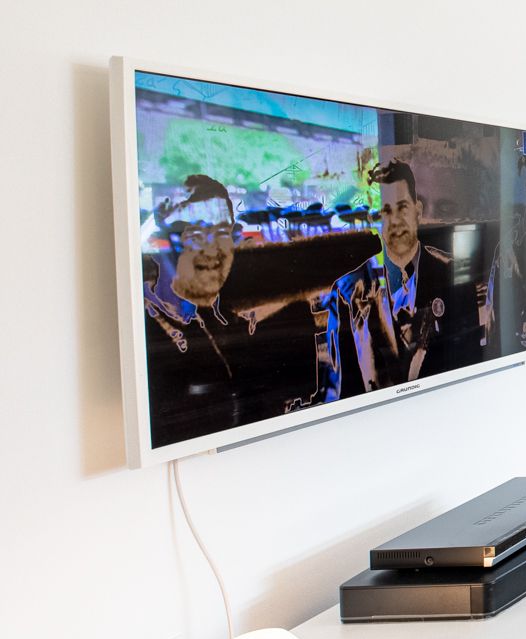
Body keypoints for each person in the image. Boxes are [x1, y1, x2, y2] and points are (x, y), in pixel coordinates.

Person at [139, 174, 316, 445]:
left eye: (222, 233)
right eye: (196, 234)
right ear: (160, 244)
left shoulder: (232, 321)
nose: (213, 251)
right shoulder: (144, 329)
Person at [316, 159, 487, 400]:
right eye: (386, 211)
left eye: (402, 207)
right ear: (375, 219)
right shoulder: (347, 293)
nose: (395, 220)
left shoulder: (455, 274)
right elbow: (342, 393)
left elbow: (471, 367)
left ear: (418, 211)